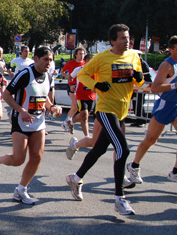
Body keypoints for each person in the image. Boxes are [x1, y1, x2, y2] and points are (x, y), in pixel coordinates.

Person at [65, 24, 143, 215]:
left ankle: (75, 177)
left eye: (128, 37)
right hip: (106, 110)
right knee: (122, 150)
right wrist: (97, 84)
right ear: (113, 41)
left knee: (99, 148)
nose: (127, 41)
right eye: (123, 38)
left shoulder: (133, 56)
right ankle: (119, 199)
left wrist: (139, 77)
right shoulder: (102, 58)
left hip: (122, 111)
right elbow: (82, 74)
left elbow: (138, 80)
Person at [0, 46, 62, 204]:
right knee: (18, 159)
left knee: (37, 157)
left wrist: (52, 107)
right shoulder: (25, 74)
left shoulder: (48, 76)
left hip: (38, 122)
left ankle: (21, 189)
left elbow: (43, 96)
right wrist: (21, 110)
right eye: (45, 59)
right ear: (36, 59)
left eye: (51, 60)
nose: (48, 63)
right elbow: (6, 95)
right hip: (20, 120)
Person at [126, 36, 177, 189]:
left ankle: (176, 171)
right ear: (170, 50)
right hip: (164, 106)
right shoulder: (167, 65)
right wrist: (175, 86)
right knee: (150, 140)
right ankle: (134, 165)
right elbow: (155, 88)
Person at [65, 53, 96, 158]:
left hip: (91, 96)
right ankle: (87, 136)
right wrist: (72, 86)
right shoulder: (79, 69)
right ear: (86, 61)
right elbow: (70, 77)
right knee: (85, 115)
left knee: (84, 116)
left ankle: (71, 122)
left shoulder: (97, 71)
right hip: (80, 95)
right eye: (91, 60)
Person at [60, 47, 86, 133]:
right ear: (75, 55)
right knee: (75, 105)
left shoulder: (85, 63)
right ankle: (66, 122)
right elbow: (62, 72)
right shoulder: (70, 63)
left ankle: (67, 121)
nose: (82, 56)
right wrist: (69, 77)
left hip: (81, 86)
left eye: (83, 54)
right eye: (80, 54)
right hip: (72, 85)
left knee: (75, 107)